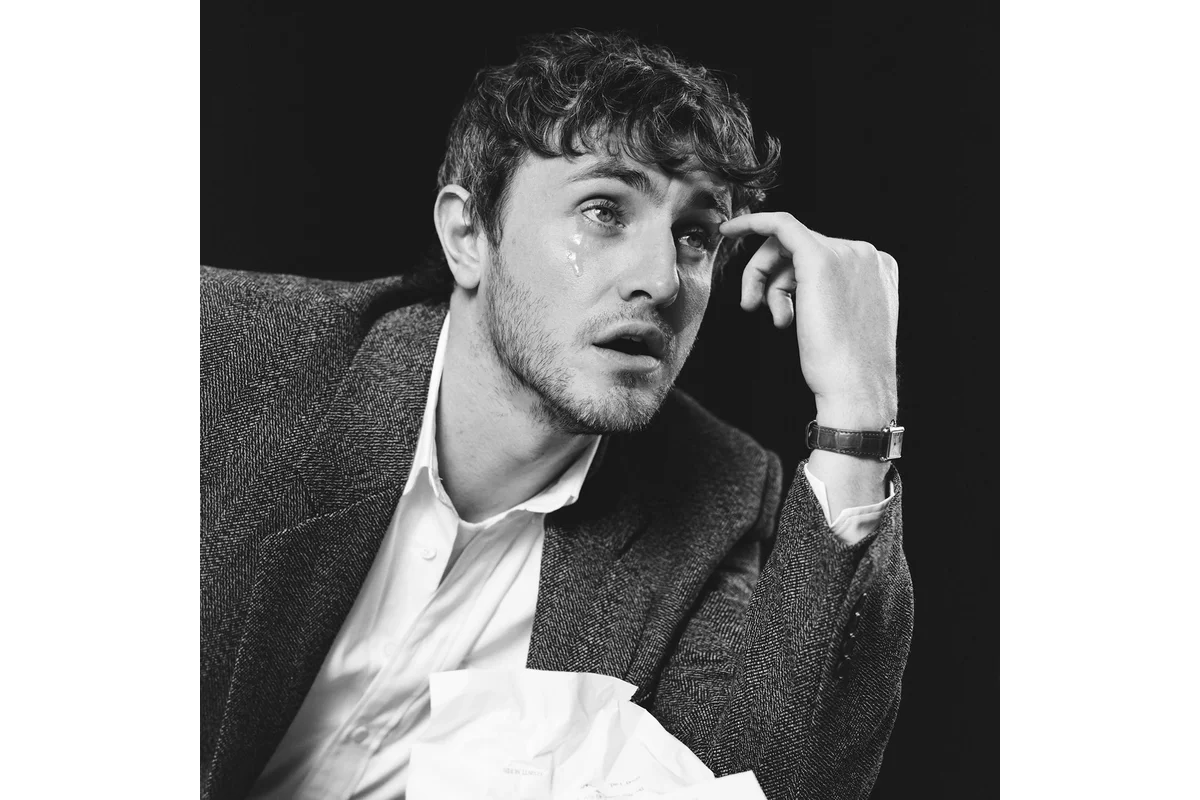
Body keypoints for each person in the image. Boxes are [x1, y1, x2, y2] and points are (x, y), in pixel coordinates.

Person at [201, 29, 912, 800]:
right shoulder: (218, 353)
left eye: (695, 236)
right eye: (604, 211)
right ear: (468, 235)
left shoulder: (719, 496)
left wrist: (858, 412)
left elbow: (764, 784)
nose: (661, 281)